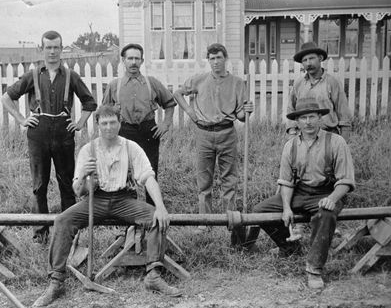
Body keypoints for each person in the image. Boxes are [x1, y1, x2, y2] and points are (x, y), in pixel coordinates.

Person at [32, 105, 182, 307]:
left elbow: (148, 178)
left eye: (113, 123)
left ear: (120, 124)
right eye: (104, 123)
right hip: (96, 200)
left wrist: (161, 207)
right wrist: (85, 175)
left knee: (156, 217)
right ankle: (56, 282)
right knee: (62, 221)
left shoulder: (131, 147)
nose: (109, 127)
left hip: (124, 200)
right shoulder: (89, 150)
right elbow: (78, 190)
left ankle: (153, 276)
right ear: (98, 125)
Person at [1, 30, 97, 243]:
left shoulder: (71, 75)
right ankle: (40, 235)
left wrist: (79, 123)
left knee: (67, 184)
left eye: (56, 47)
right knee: (39, 185)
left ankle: (69, 234)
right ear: (42, 49)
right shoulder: (33, 75)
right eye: (48, 47)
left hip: (64, 134)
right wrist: (21, 119)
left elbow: (90, 103)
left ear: (62, 49)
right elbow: (6, 98)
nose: (52, 51)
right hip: (38, 134)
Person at [252, 97, 355, 289]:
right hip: (300, 192)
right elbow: (287, 182)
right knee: (260, 211)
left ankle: (314, 269)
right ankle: (290, 247)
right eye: (303, 118)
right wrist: (285, 208)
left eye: (312, 117)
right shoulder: (290, 146)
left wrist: (332, 199)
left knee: (325, 215)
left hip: (327, 191)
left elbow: (346, 181)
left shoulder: (336, 142)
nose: (308, 122)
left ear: (320, 118)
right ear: (297, 122)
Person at [173, 43, 253, 232]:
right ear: (208, 61)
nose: (216, 62)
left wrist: (248, 110)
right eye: (212, 58)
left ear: (225, 59)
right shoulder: (199, 80)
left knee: (229, 180)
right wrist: (191, 113)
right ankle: (205, 222)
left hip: (227, 133)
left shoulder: (238, 83)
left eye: (219, 57)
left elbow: (241, 116)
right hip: (204, 134)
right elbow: (177, 94)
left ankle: (230, 222)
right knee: (204, 181)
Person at [102, 43, 176, 206]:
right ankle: (126, 208)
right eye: (130, 58)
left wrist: (165, 124)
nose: (133, 62)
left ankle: (152, 209)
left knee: (150, 171)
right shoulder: (115, 85)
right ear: (123, 61)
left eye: (137, 58)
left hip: (147, 131)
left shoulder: (152, 83)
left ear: (142, 61)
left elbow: (170, 103)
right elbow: (104, 111)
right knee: (123, 171)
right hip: (124, 131)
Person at [287, 42, 352, 141]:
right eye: (305, 60)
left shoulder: (332, 82)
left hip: (328, 135)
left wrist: (344, 140)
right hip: (304, 136)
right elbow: (291, 109)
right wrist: (292, 133)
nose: (308, 63)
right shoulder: (299, 84)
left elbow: (343, 113)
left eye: (312, 58)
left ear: (320, 58)